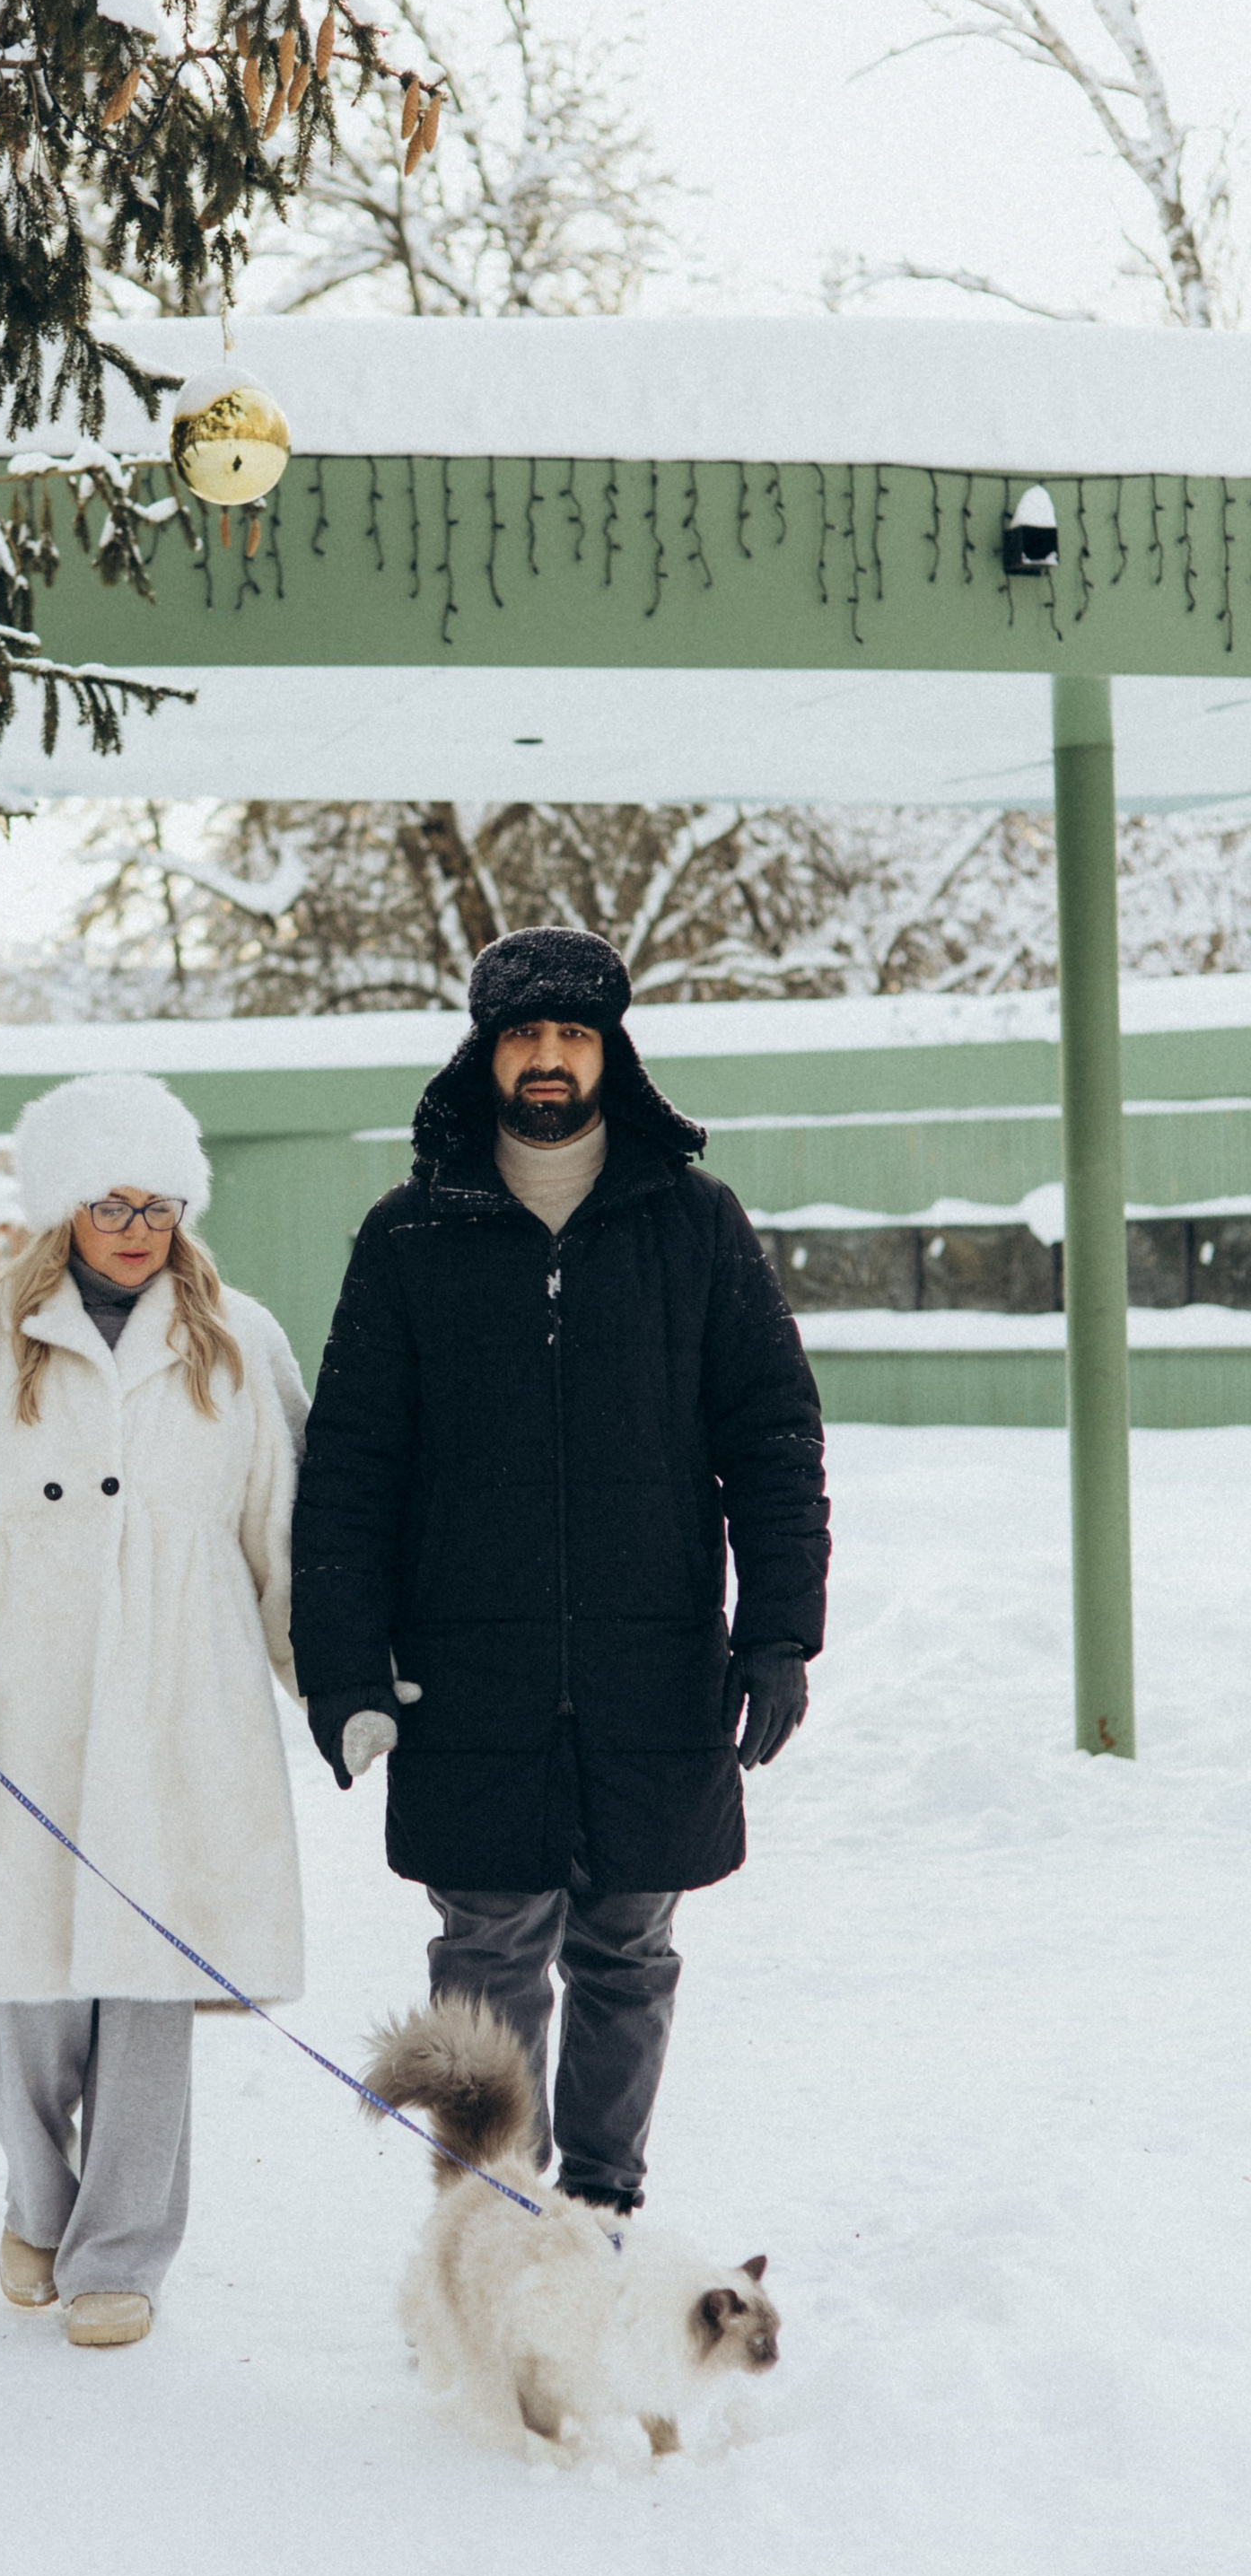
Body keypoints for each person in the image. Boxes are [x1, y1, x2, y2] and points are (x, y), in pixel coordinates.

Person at [290, 925, 829, 2218]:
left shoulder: (691, 1223)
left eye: (571, 1034)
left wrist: (778, 1637)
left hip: (654, 1665)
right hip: (471, 1672)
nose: (546, 1058)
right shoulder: (409, 1234)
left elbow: (771, 1436)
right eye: (523, 1035)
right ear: (486, 1054)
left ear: (609, 1051)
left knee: (630, 1951)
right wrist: (345, 1666)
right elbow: (351, 1469)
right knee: (485, 1954)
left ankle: (598, 2210)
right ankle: (492, 2219)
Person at [0, 1072, 309, 2349]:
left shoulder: (239, 1343)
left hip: (184, 1714)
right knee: (18, 1995)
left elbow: (292, 1541)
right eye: (111, 1201)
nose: (136, 1227)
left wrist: (342, 1684)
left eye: (159, 1204)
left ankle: (119, 2255)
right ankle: (39, 2199)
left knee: (150, 1990)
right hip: (21, 1713)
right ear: (61, 1209)